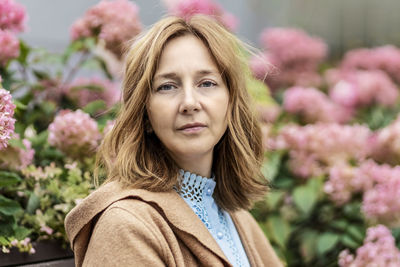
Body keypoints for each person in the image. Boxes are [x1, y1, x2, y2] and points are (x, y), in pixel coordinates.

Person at [65, 15, 283, 267]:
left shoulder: (235, 217)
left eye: (207, 83)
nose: (190, 103)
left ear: (231, 103)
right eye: (167, 86)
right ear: (144, 113)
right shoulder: (126, 225)